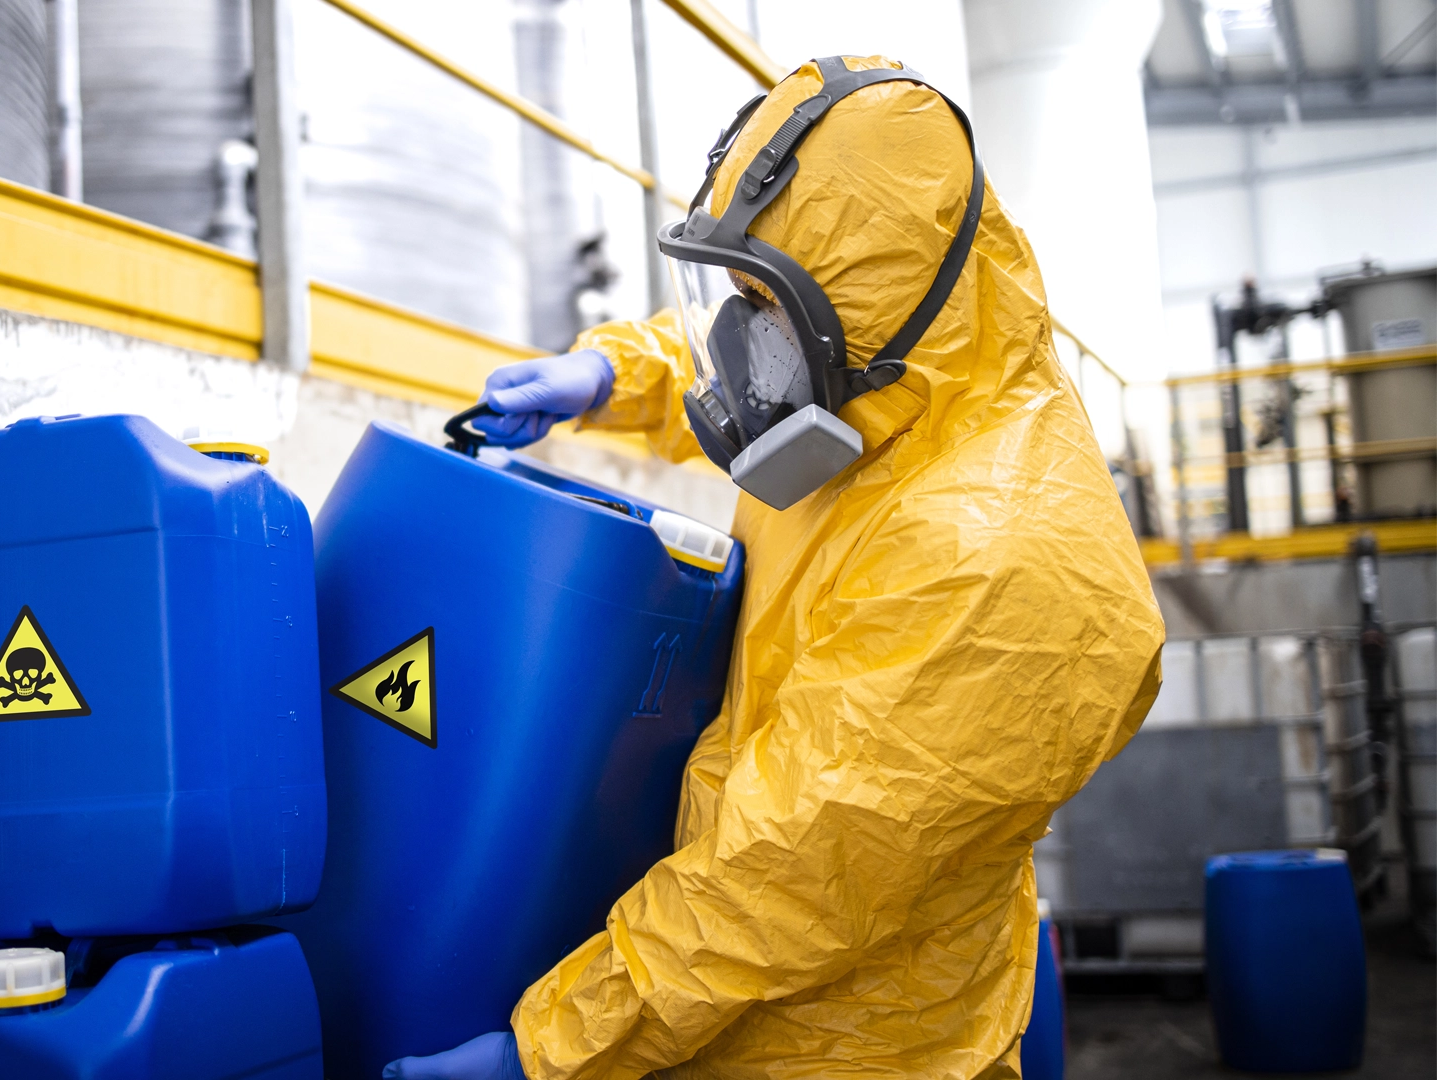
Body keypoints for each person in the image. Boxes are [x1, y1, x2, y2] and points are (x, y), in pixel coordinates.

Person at [386, 56, 1163, 1080]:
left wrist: (548, 1053)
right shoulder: (877, 400)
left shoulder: (998, 561)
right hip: (720, 1008)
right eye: (738, 286)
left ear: (867, 309)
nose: (739, 330)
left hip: (857, 1045)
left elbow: (784, 882)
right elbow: (770, 345)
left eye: (762, 296)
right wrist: (614, 375)